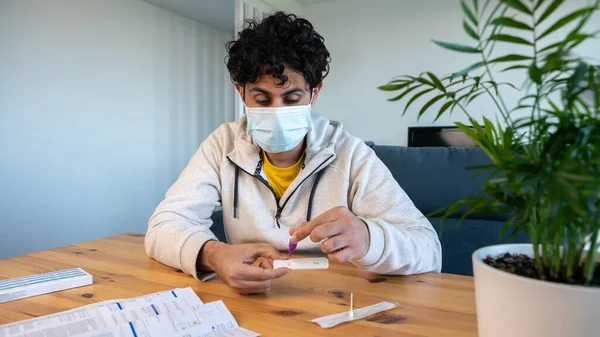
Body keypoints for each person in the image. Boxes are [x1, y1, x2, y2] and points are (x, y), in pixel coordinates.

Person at [145, 12, 441, 294]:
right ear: (241, 92)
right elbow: (163, 226)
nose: (277, 111)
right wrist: (214, 254)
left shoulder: (351, 155)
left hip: (333, 302)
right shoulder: (222, 145)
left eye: (292, 98)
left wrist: (369, 238)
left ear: (315, 93)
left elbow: (428, 248)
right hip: (252, 302)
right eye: (261, 99)